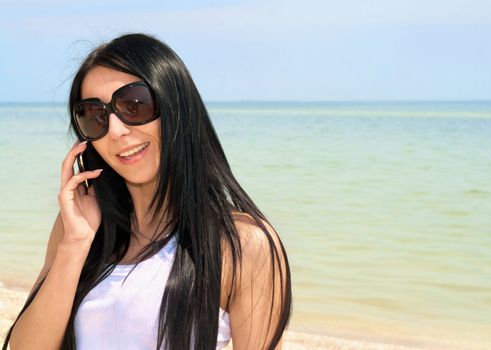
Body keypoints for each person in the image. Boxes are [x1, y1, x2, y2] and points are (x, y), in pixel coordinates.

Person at [3, 33, 291, 350]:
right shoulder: (79, 229)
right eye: (95, 116)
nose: (116, 130)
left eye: (134, 105)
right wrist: (74, 246)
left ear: (175, 105)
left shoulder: (241, 243)